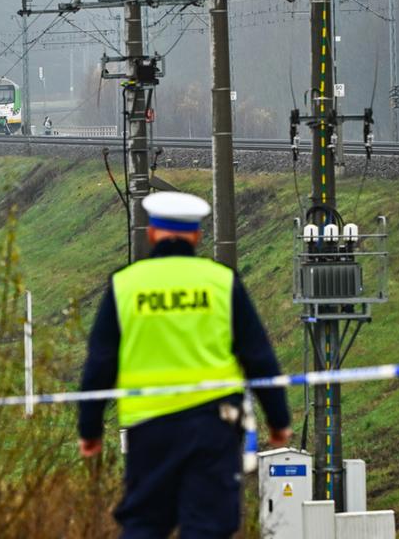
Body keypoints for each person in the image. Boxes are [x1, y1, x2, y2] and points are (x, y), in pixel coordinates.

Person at [78, 191, 293, 538]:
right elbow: (258, 356)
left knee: (144, 524)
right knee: (207, 527)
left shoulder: (125, 285)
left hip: (148, 430)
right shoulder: (221, 282)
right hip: (214, 428)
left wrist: (89, 429)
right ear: (196, 236)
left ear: (151, 233)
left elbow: (100, 362)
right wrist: (278, 421)